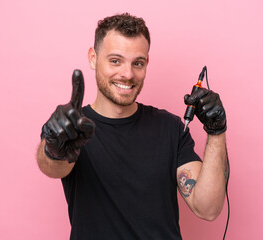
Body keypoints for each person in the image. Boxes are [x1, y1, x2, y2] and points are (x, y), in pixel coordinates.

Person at [37, 13, 228, 240]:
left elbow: (207, 208)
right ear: (93, 58)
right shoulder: (73, 128)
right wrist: (54, 148)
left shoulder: (169, 128)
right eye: (115, 60)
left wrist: (217, 132)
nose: (127, 74)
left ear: (146, 63)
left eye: (137, 63)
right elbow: (51, 167)